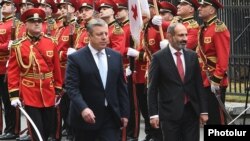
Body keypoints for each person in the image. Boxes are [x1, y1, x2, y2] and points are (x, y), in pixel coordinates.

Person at [65, 18, 129, 141]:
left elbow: (121, 86)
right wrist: (83, 108)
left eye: (106, 33)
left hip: (110, 116)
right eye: (99, 34)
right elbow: (72, 87)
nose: (104, 37)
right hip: (87, 117)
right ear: (89, 36)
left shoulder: (115, 57)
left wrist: (125, 113)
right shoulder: (76, 58)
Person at [7, 8, 62, 141]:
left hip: (48, 91)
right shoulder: (18, 46)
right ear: (26, 24)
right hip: (30, 92)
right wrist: (14, 96)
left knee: (50, 128)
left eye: (39, 21)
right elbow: (13, 72)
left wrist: (58, 89)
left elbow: (56, 68)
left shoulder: (51, 42)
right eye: (32, 21)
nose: (37, 24)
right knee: (37, 131)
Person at [147, 23, 208, 141]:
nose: (185, 39)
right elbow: (152, 88)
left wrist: (204, 111)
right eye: (180, 35)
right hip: (169, 113)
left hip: (191, 111)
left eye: (186, 35)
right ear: (169, 36)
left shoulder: (192, 56)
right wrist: (153, 114)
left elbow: (198, 85)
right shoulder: (158, 58)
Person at [197, 0, 230, 125]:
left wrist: (216, 80)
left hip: (214, 80)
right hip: (204, 78)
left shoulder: (218, 28)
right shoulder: (204, 28)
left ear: (212, 10)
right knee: (209, 118)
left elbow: (223, 58)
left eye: (203, 6)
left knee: (217, 119)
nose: (199, 8)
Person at [0, 0, 20, 140]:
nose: (3, 7)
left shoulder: (16, 25)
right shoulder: (1, 23)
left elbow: (14, 43)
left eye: (6, 5)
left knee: (8, 101)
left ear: (14, 9)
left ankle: (12, 129)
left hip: (7, 67)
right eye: (2, 5)